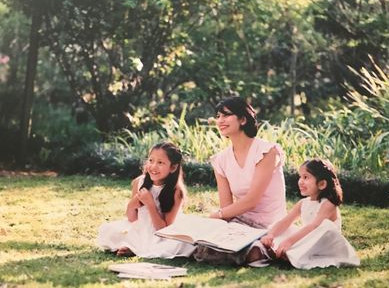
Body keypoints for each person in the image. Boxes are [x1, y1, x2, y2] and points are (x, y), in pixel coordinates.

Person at [193, 96, 287, 265]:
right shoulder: (220, 159)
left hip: (269, 224)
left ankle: (257, 251)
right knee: (200, 242)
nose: (220, 120)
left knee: (214, 245)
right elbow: (227, 207)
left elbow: (252, 201)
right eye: (218, 116)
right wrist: (216, 221)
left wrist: (218, 215)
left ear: (243, 119)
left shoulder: (267, 151)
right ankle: (245, 251)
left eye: (226, 115)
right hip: (240, 223)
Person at [250, 158, 360, 269]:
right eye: (300, 177)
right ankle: (276, 249)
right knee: (281, 226)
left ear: (322, 184)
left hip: (324, 243)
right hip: (309, 237)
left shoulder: (328, 204)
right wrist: (271, 234)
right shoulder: (303, 203)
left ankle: (287, 252)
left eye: (306, 177)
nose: (300, 181)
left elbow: (314, 227)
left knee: (326, 226)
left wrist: (289, 241)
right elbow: (286, 221)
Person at [97, 142, 196, 258]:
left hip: (163, 235)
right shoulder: (139, 182)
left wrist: (150, 204)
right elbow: (132, 218)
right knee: (109, 230)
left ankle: (134, 248)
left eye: (160, 163)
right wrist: (132, 205)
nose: (153, 166)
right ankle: (134, 246)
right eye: (151, 160)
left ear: (173, 167)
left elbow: (164, 230)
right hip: (141, 228)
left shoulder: (176, 192)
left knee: (178, 244)